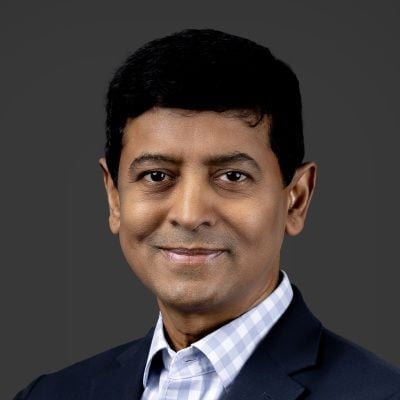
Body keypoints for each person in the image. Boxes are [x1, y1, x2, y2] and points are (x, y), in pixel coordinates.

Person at [15, 28, 400, 400]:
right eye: (156, 176)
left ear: (296, 200)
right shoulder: (50, 395)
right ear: (114, 197)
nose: (189, 214)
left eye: (232, 176)